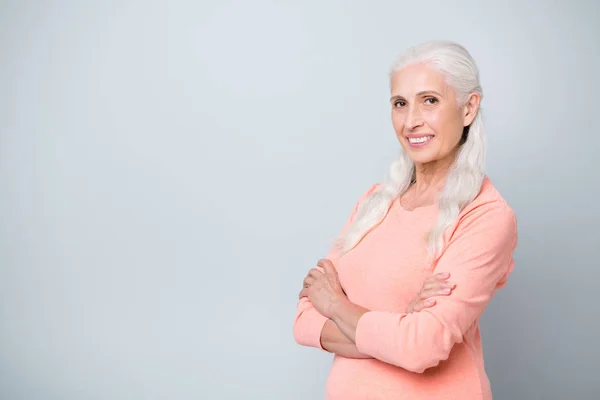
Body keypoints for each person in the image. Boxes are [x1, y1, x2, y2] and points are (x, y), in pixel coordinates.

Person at [293, 40, 518, 400]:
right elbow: (304, 322)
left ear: (468, 108)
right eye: (400, 104)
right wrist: (400, 327)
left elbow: (421, 348)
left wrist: (336, 306)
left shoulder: (486, 216)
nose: (411, 121)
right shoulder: (374, 203)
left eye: (429, 100)